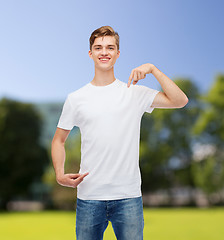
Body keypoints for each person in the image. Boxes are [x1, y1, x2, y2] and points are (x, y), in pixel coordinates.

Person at [51, 25, 188, 240]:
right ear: (90, 53)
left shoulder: (134, 93)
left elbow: (180, 100)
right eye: (98, 48)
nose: (104, 52)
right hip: (89, 197)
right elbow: (58, 140)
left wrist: (152, 69)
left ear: (117, 53)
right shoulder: (76, 98)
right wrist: (59, 174)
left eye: (110, 47)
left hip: (128, 197)